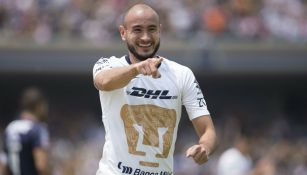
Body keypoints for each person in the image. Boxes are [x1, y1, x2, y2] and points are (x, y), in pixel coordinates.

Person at [93, 3, 217, 175]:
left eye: (151, 29)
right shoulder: (109, 65)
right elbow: (103, 82)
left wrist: (205, 147)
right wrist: (137, 68)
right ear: (123, 33)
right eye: (137, 30)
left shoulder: (181, 74)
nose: (145, 37)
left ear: (160, 31)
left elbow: (207, 130)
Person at [2, 87, 50, 175]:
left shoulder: (10, 128)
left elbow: (4, 165)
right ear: (38, 106)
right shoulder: (38, 129)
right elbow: (41, 165)